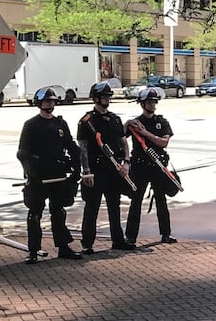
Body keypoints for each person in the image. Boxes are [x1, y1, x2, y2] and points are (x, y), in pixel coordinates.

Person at [16, 86, 82, 264]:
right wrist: (32, 173)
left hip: (58, 175)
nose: (50, 104)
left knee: (58, 212)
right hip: (39, 176)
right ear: (39, 103)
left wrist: (77, 168)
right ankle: (33, 250)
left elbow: (71, 147)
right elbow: (23, 153)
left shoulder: (60, 124)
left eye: (52, 101)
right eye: (46, 101)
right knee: (35, 214)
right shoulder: (31, 125)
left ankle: (63, 247)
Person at [77, 81, 133, 253]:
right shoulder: (87, 121)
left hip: (114, 169)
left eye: (108, 97)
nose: (106, 100)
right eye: (103, 97)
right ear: (95, 99)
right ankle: (87, 244)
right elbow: (83, 147)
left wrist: (126, 162)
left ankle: (118, 240)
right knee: (92, 207)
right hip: (96, 169)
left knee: (114, 206)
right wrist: (87, 172)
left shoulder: (115, 119)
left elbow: (123, 142)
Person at [124, 87, 179, 247]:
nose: (153, 105)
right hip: (140, 167)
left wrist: (146, 133)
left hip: (158, 167)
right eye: (149, 102)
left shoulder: (161, 122)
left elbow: (164, 142)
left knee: (161, 201)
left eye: (154, 102)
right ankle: (131, 237)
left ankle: (166, 233)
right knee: (136, 201)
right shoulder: (135, 123)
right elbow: (119, 137)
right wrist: (127, 124)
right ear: (142, 104)